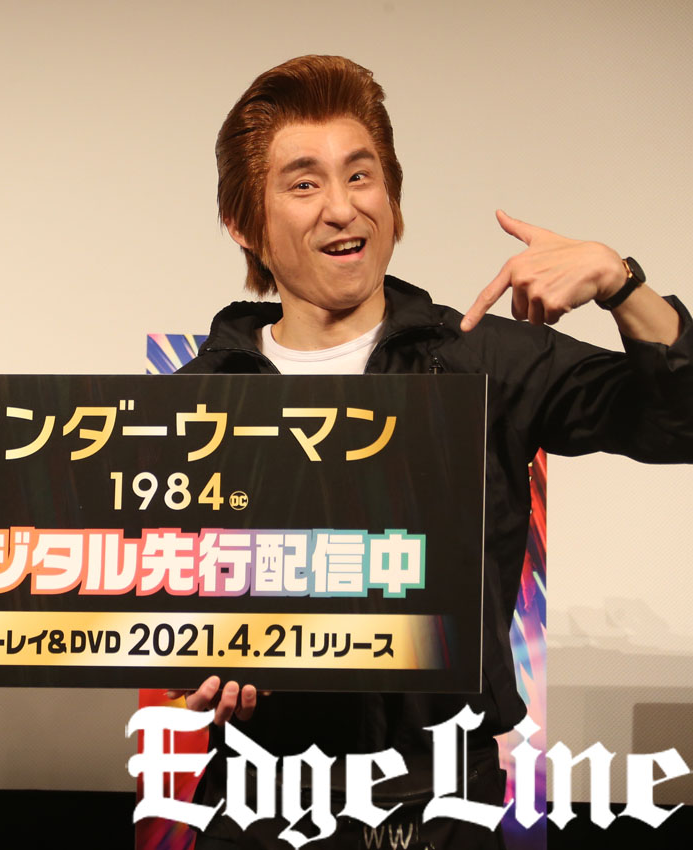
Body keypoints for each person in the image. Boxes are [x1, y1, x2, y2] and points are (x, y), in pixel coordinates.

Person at [176, 55, 692, 848]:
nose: (343, 208)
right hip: (259, 802)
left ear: (392, 197)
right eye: (305, 183)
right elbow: (144, 590)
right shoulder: (196, 400)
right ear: (246, 224)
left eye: (362, 175)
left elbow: (679, 422)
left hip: (444, 806)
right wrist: (201, 651)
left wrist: (622, 284)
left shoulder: (480, 362)